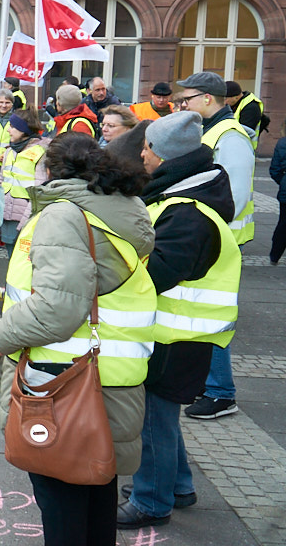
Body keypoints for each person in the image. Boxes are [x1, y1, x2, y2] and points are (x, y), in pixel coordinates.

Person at [0, 132, 157, 546]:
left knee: (62, 500)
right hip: (112, 372)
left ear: (50, 170)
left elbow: (58, 309)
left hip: (63, 375)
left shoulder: (65, 215)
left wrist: (0, 336)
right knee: (95, 491)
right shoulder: (118, 206)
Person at [116, 111, 241, 529]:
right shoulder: (184, 198)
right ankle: (178, 486)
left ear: (165, 155)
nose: (142, 154)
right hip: (174, 333)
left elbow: (158, 273)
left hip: (175, 337)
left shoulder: (187, 211)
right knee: (162, 418)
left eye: (148, 147)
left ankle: (152, 501)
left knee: (153, 420)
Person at [175, 71, 254, 420]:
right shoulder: (212, 130)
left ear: (207, 98)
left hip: (220, 240)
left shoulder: (230, 135)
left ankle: (221, 393)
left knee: (212, 315)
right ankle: (208, 385)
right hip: (210, 236)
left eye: (187, 99)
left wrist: (204, 228)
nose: (182, 104)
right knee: (200, 312)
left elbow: (233, 194)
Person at [0, 109, 47, 256]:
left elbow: (40, 191)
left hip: (26, 216)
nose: (8, 130)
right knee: (11, 258)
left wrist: (26, 220)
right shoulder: (9, 151)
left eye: (13, 127)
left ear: (24, 130)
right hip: (8, 215)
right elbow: (2, 181)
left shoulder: (40, 153)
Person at [224, 80, 266, 148]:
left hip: (244, 147)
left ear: (236, 97)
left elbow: (244, 132)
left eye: (225, 98)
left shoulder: (251, 107)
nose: (224, 102)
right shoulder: (234, 104)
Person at [271, 120, 286, 265]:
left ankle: (275, 255)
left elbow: (274, 170)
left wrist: (283, 182)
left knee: (283, 224)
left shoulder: (282, 143)